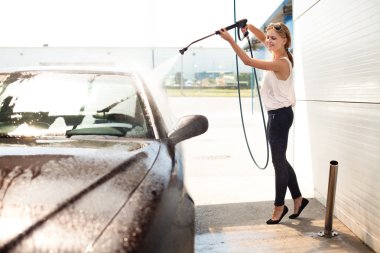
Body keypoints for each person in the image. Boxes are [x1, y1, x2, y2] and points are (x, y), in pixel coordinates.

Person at [219, 22, 309, 224]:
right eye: (267, 38)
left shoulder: (281, 62)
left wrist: (231, 40)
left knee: (279, 164)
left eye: (273, 39)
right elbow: (264, 38)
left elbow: (248, 62)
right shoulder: (277, 53)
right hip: (276, 116)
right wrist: (248, 26)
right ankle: (298, 199)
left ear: (284, 40)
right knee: (281, 160)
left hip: (280, 117)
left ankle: (279, 206)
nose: (268, 41)